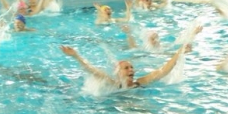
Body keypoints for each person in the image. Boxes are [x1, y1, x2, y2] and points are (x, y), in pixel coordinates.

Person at [60, 26, 201, 89]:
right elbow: (91, 70)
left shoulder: (140, 82)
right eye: (126, 68)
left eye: (131, 67)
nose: (131, 70)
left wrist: (180, 51)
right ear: (118, 72)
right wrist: (76, 56)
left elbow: (164, 70)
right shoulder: (113, 84)